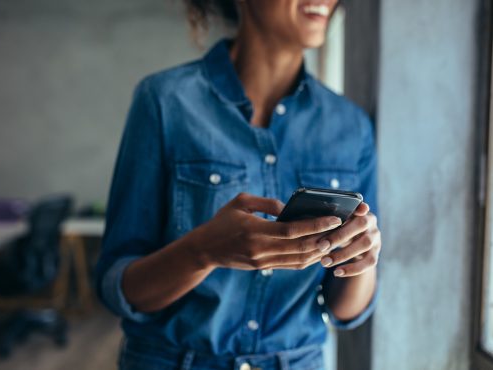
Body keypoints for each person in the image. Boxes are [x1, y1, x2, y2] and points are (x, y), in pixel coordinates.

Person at [96, 0, 382, 369]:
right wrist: (202, 251)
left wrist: (363, 258)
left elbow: (346, 311)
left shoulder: (351, 126)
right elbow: (119, 287)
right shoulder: (164, 102)